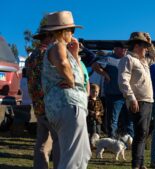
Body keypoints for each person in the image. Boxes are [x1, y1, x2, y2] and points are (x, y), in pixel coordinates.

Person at [41, 11, 91, 169]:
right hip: (69, 106)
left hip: (69, 107)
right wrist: (72, 81)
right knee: (75, 158)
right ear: (65, 31)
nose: (72, 34)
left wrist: (75, 55)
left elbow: (81, 79)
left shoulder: (63, 49)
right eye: (72, 30)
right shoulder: (58, 46)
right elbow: (62, 64)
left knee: (80, 154)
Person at [118, 32, 155, 169]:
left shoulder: (144, 61)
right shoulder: (128, 59)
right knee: (140, 133)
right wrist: (131, 98)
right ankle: (136, 165)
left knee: (144, 133)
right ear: (136, 46)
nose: (147, 49)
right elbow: (123, 80)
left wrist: (150, 42)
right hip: (138, 101)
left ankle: (140, 164)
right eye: (144, 46)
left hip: (148, 101)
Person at [25, 21, 60, 169]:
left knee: (42, 140)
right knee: (58, 141)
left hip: (38, 104)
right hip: (50, 103)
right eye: (55, 36)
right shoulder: (48, 53)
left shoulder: (31, 56)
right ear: (49, 37)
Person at [99, 42, 134, 138]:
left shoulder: (128, 59)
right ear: (115, 49)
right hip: (113, 94)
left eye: (126, 49)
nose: (125, 50)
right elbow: (95, 66)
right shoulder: (109, 59)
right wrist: (105, 74)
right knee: (113, 120)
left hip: (127, 95)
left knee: (129, 120)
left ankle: (131, 142)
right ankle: (112, 141)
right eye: (122, 48)